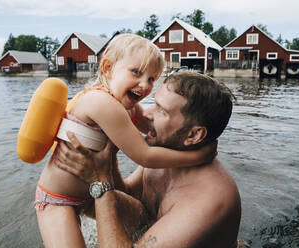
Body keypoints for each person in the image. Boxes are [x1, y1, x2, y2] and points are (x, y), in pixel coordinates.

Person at [35, 34, 214, 247]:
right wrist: (198, 155)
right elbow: (145, 156)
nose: (144, 85)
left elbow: (155, 128)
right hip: (58, 199)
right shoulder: (101, 102)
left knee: (144, 223)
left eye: (151, 79)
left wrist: (191, 133)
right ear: (108, 68)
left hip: (90, 194)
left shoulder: (126, 107)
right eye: (136, 72)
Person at [55, 71, 242, 247]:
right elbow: (129, 192)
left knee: (99, 191)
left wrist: (101, 182)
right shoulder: (163, 154)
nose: (146, 113)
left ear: (194, 135)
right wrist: (108, 160)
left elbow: (107, 190)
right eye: (154, 103)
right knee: (79, 194)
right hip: (152, 228)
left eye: (162, 110)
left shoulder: (207, 200)